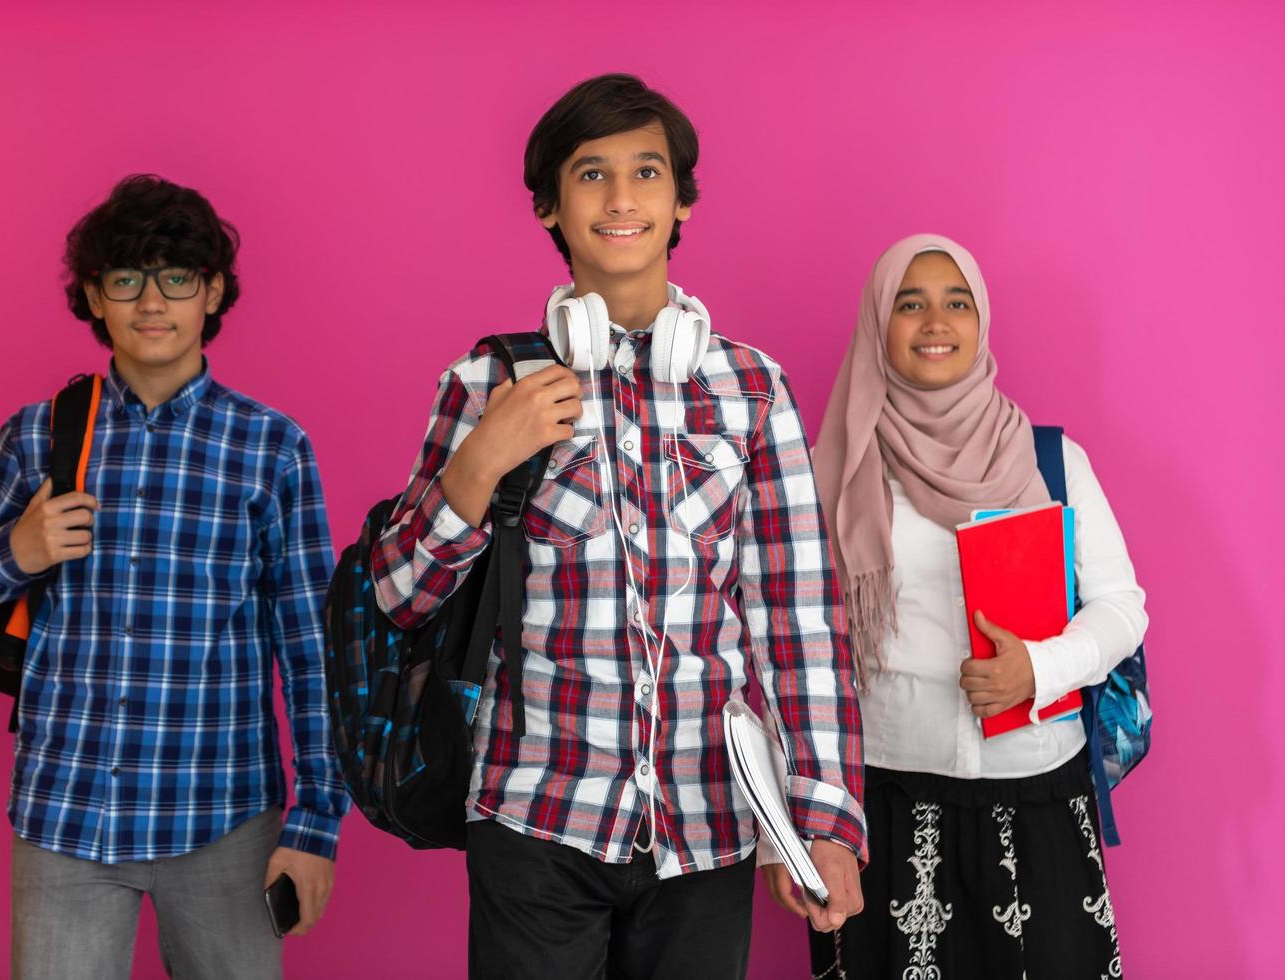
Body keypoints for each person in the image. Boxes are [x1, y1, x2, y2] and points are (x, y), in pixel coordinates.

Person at [371, 74, 866, 980]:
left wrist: (826, 819)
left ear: (682, 199)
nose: (622, 196)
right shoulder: (485, 382)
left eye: (647, 171)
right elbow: (401, 596)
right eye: (590, 174)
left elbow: (800, 622)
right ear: (550, 207)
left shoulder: (753, 389)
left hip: (707, 824)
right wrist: (486, 456)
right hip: (535, 815)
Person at [0, 174, 347, 980]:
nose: (150, 302)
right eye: (125, 279)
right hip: (66, 817)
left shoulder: (271, 448)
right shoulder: (40, 434)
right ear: (95, 294)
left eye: (176, 277)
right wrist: (19, 549)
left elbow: (310, 648)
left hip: (223, 819)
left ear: (212, 291)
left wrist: (316, 823)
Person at [806, 233, 1147, 978]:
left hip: (1038, 795)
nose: (936, 322)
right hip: (887, 804)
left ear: (980, 321)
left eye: (956, 303)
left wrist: (1040, 668)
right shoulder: (836, 469)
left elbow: (1123, 608)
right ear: (878, 324)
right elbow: (794, 642)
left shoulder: (1051, 458)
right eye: (911, 303)